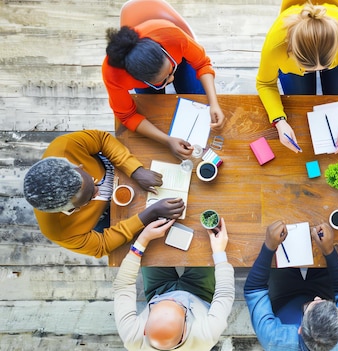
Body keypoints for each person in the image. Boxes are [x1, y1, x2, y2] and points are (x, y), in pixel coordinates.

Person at [22, 130, 185, 258]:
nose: (98, 190)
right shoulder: (58, 231)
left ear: (77, 166)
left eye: (91, 182)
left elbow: (101, 139)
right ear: (68, 210)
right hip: (107, 217)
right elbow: (102, 245)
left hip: (118, 168)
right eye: (89, 199)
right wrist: (149, 214)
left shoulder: (64, 146)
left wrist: (135, 170)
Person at [103, 6, 224, 160]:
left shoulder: (171, 35)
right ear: (140, 80)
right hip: (152, 76)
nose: (172, 80)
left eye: (170, 70)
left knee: (199, 98)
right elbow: (128, 116)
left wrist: (214, 103)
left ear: (164, 51)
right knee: (154, 113)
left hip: (180, 60)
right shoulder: (113, 76)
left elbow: (202, 64)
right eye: (165, 80)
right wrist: (167, 141)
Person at [257, 0, 338, 153]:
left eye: (324, 67)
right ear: (290, 51)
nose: (317, 72)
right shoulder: (275, 44)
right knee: (300, 100)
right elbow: (265, 83)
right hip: (292, 59)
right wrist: (279, 120)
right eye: (307, 69)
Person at [113, 217, 234, 350]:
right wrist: (219, 252)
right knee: (206, 244)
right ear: (185, 330)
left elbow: (122, 287)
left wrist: (141, 241)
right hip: (199, 293)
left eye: (158, 306)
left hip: (159, 291)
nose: (173, 298)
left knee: (153, 242)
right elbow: (225, 293)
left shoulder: (131, 336)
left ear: (145, 330)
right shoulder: (206, 335)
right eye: (180, 306)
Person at [244, 220, 338, 350]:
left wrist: (269, 247)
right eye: (325, 304)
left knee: (279, 244)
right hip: (324, 290)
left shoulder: (274, 339)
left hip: (283, 299)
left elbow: (254, 289)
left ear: (299, 329)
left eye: (313, 305)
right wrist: (329, 251)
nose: (317, 298)